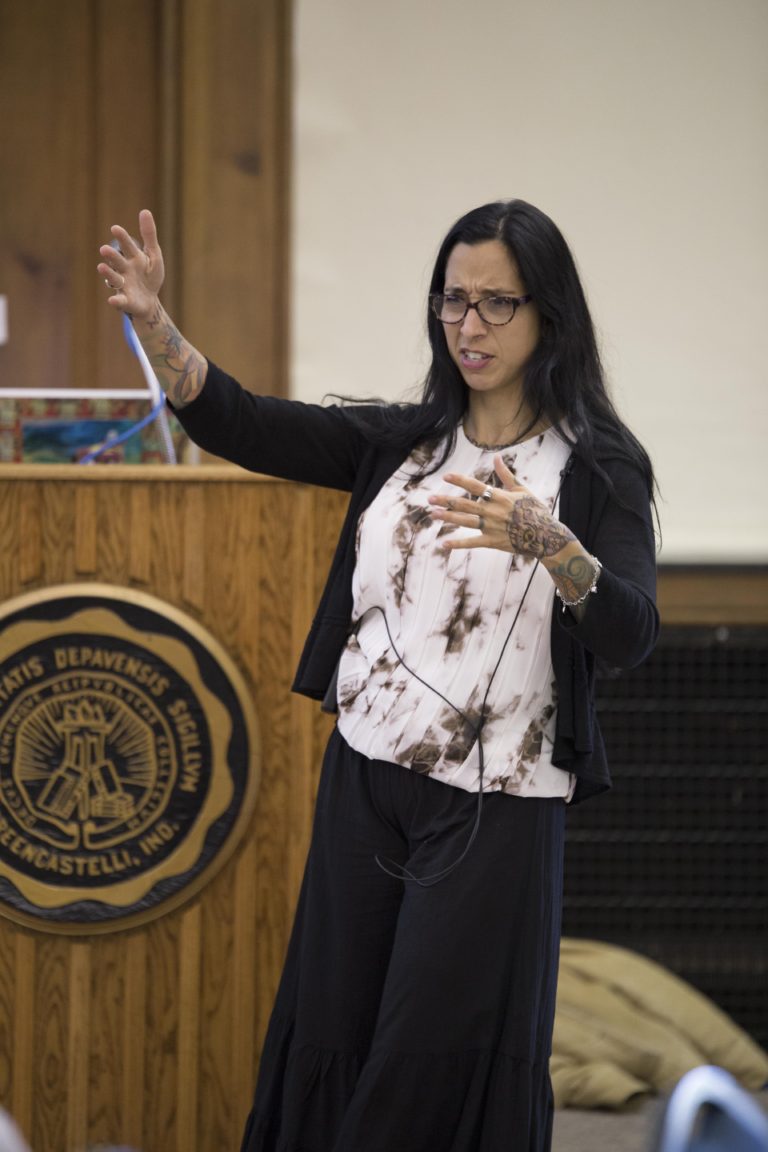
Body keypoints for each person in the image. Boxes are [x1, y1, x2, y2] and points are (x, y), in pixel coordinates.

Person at [98, 199, 659, 1152]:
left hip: (500, 800)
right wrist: (157, 327)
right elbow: (242, 424)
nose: (468, 326)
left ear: (548, 316)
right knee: (335, 1028)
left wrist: (553, 545)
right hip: (366, 779)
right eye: (452, 301)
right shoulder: (403, 441)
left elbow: (632, 632)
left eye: (495, 304)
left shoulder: (597, 466)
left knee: (429, 1052)